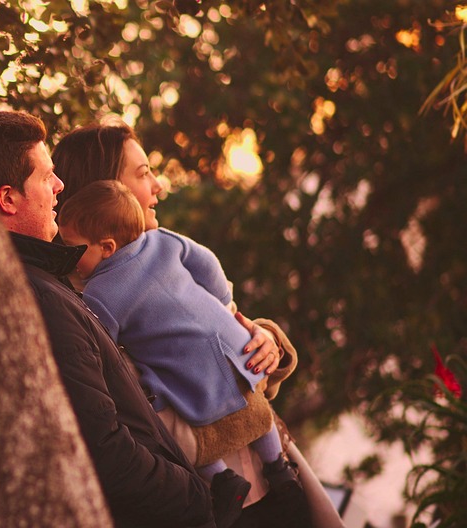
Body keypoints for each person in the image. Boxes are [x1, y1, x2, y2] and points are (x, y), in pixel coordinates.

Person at [51, 121, 344, 528]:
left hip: (273, 477)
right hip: (206, 504)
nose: (158, 187)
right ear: (103, 194)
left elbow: (223, 328)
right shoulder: (80, 305)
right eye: (142, 174)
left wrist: (268, 340)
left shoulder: (166, 251)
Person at [0, 110, 219, 527]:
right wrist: (193, 498)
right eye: (45, 178)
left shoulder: (41, 282)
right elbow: (105, 452)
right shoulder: (37, 297)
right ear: (7, 199)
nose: (59, 186)